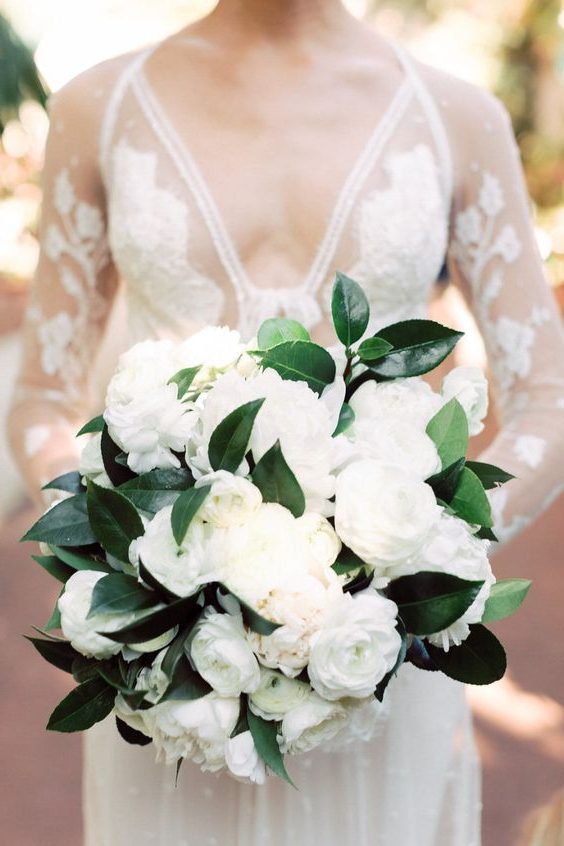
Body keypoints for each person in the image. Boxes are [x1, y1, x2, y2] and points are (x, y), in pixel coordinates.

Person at [8, 1, 564, 843]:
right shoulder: (100, 106)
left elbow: (547, 396)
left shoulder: (456, 117)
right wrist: (131, 560)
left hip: (374, 659)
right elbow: (44, 396)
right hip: (176, 669)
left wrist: (410, 574)